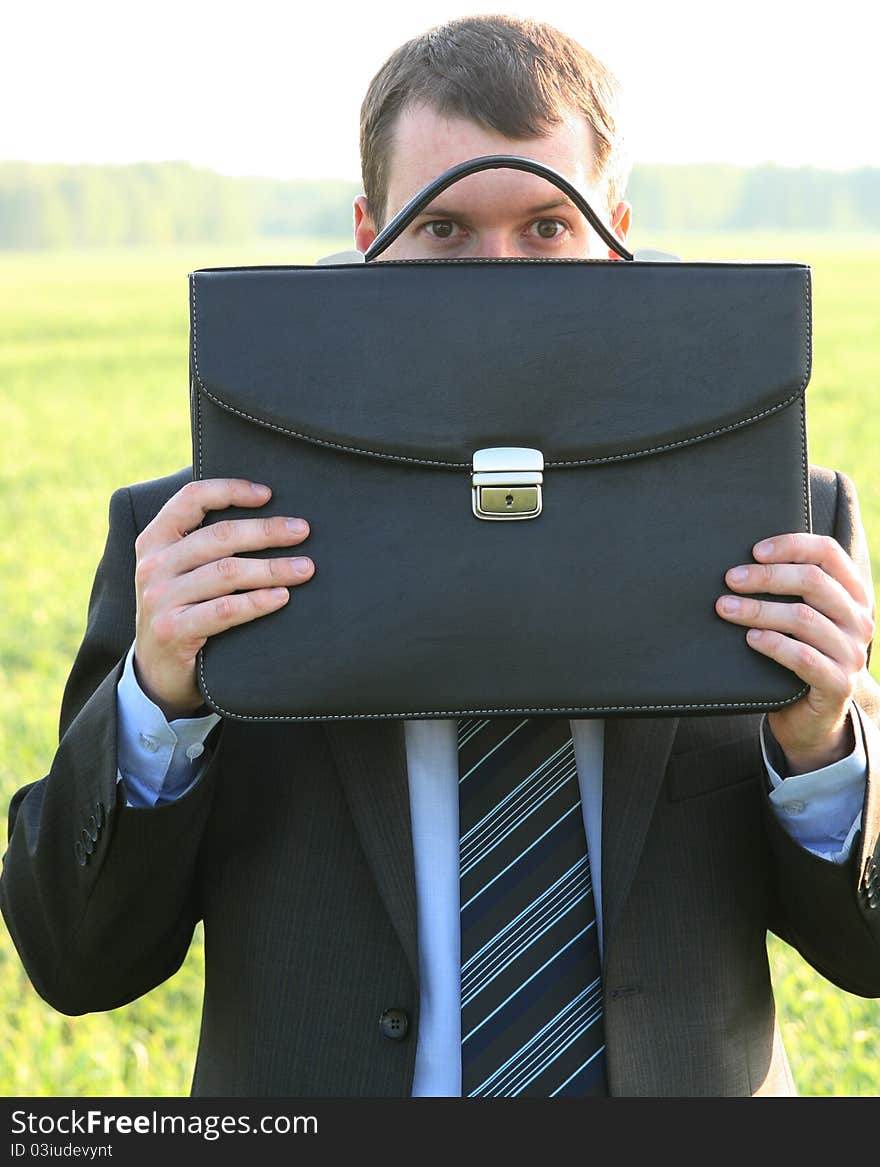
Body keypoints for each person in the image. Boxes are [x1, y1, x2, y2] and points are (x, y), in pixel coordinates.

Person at [2, 14, 879, 1098]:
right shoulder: (192, 544)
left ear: (619, 235)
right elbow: (76, 962)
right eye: (447, 230)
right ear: (369, 235)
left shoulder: (773, 524)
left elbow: (865, 958)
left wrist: (819, 746)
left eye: (547, 228)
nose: (496, 278)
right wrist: (158, 702)